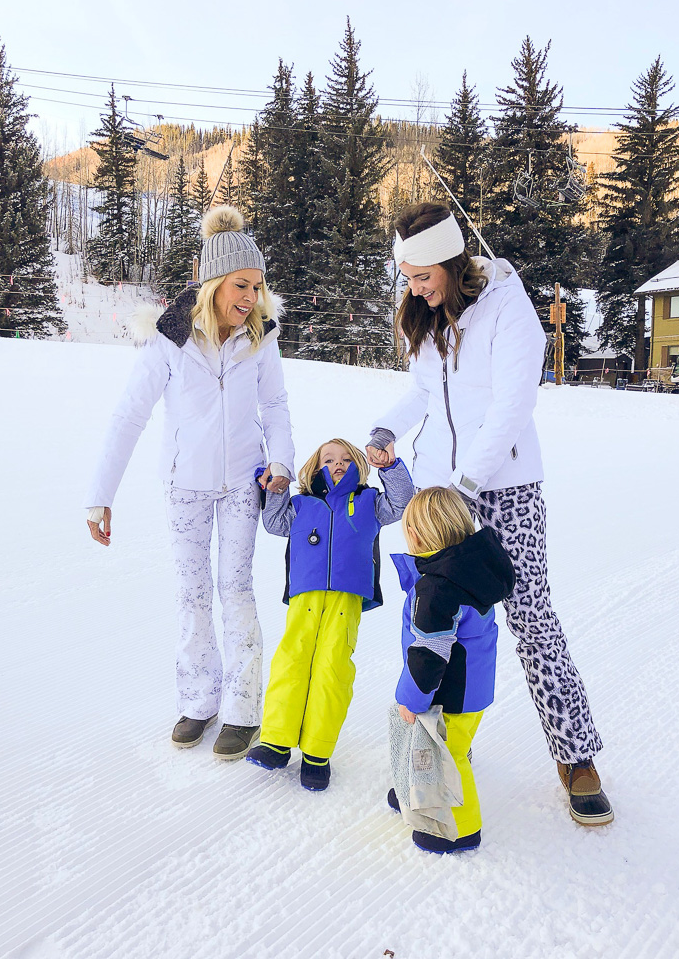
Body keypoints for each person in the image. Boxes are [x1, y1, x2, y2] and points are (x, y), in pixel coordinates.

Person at [368, 202, 613, 825]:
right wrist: (385, 428)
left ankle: (576, 755)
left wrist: (466, 484)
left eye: (423, 275)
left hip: (505, 490)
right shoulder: (424, 319)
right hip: (438, 495)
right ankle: (432, 751)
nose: (414, 288)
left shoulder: (509, 306)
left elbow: (511, 406)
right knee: (431, 624)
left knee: (530, 618)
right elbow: (425, 392)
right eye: (408, 277)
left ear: (452, 260)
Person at [84, 206, 295, 761]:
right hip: (185, 487)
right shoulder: (171, 337)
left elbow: (274, 405)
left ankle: (243, 709)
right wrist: (99, 496)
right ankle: (199, 700)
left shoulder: (261, 337)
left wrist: (283, 462)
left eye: (257, 286)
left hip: (244, 484)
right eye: (240, 285)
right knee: (192, 593)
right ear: (213, 282)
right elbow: (130, 414)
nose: (250, 297)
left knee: (235, 589)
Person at [246, 438, 414, 790]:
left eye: (345, 458)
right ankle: (276, 740)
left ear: (357, 463)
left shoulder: (369, 502)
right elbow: (274, 523)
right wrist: (276, 486)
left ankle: (317, 753)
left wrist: (390, 467)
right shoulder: (302, 503)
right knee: (292, 660)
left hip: (346, 598)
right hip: (305, 593)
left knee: (331, 668)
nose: (337, 463)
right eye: (329, 458)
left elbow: (401, 502)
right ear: (315, 466)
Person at [387, 486, 515, 854]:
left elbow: (430, 652)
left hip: (449, 693)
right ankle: (412, 788)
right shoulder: (469, 568)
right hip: (474, 688)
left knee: (449, 757)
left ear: (415, 535)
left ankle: (460, 830)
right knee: (437, 745)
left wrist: (412, 697)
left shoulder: (438, 588)